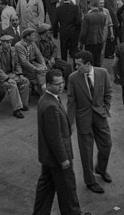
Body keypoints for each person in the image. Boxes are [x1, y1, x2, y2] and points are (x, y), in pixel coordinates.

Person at [31, 69, 88, 215]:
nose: (61, 86)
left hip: (48, 157)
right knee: (67, 188)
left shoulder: (46, 98)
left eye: (62, 82)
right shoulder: (50, 105)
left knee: (46, 187)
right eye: (57, 84)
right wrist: (63, 159)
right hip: (58, 157)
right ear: (48, 84)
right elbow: (54, 137)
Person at [67, 51, 113, 194]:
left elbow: (108, 92)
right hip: (84, 119)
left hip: (100, 115)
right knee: (86, 153)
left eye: (79, 65)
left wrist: (105, 108)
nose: (76, 67)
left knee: (107, 144)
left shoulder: (102, 73)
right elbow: (71, 101)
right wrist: (70, 123)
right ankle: (90, 181)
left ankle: (101, 168)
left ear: (88, 64)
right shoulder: (73, 78)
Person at [0, 34, 31, 118]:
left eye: (10, 42)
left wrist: (20, 75)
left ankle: (24, 104)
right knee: (12, 86)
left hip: (13, 74)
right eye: (7, 43)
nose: (9, 44)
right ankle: (16, 109)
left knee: (25, 81)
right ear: (2, 43)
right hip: (2, 77)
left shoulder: (13, 50)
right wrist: (7, 78)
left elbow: (17, 64)